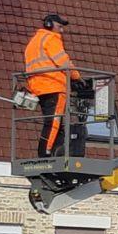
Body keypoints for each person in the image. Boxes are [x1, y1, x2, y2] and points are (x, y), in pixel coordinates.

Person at [22, 13, 80, 158]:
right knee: (54, 121)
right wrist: (77, 78)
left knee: (52, 121)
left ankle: (53, 150)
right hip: (54, 85)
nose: (62, 31)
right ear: (49, 24)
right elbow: (63, 62)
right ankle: (46, 153)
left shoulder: (33, 42)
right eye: (59, 27)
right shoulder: (51, 39)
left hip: (38, 87)